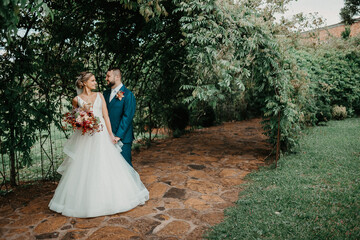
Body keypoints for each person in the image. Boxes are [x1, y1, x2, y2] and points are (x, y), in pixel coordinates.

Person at [48, 72, 149, 218]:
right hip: (87, 136)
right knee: (86, 167)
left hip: (101, 134)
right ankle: (87, 202)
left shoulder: (100, 95)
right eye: (93, 80)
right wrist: (82, 123)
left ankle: (111, 198)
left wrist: (111, 135)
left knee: (106, 164)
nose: (96, 83)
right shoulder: (76, 100)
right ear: (84, 83)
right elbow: (76, 118)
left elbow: (105, 116)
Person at [103, 68, 136, 167]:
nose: (106, 78)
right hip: (107, 137)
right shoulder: (105, 94)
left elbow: (127, 117)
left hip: (123, 138)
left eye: (108, 76)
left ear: (117, 77)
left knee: (125, 167)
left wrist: (118, 136)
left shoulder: (128, 95)